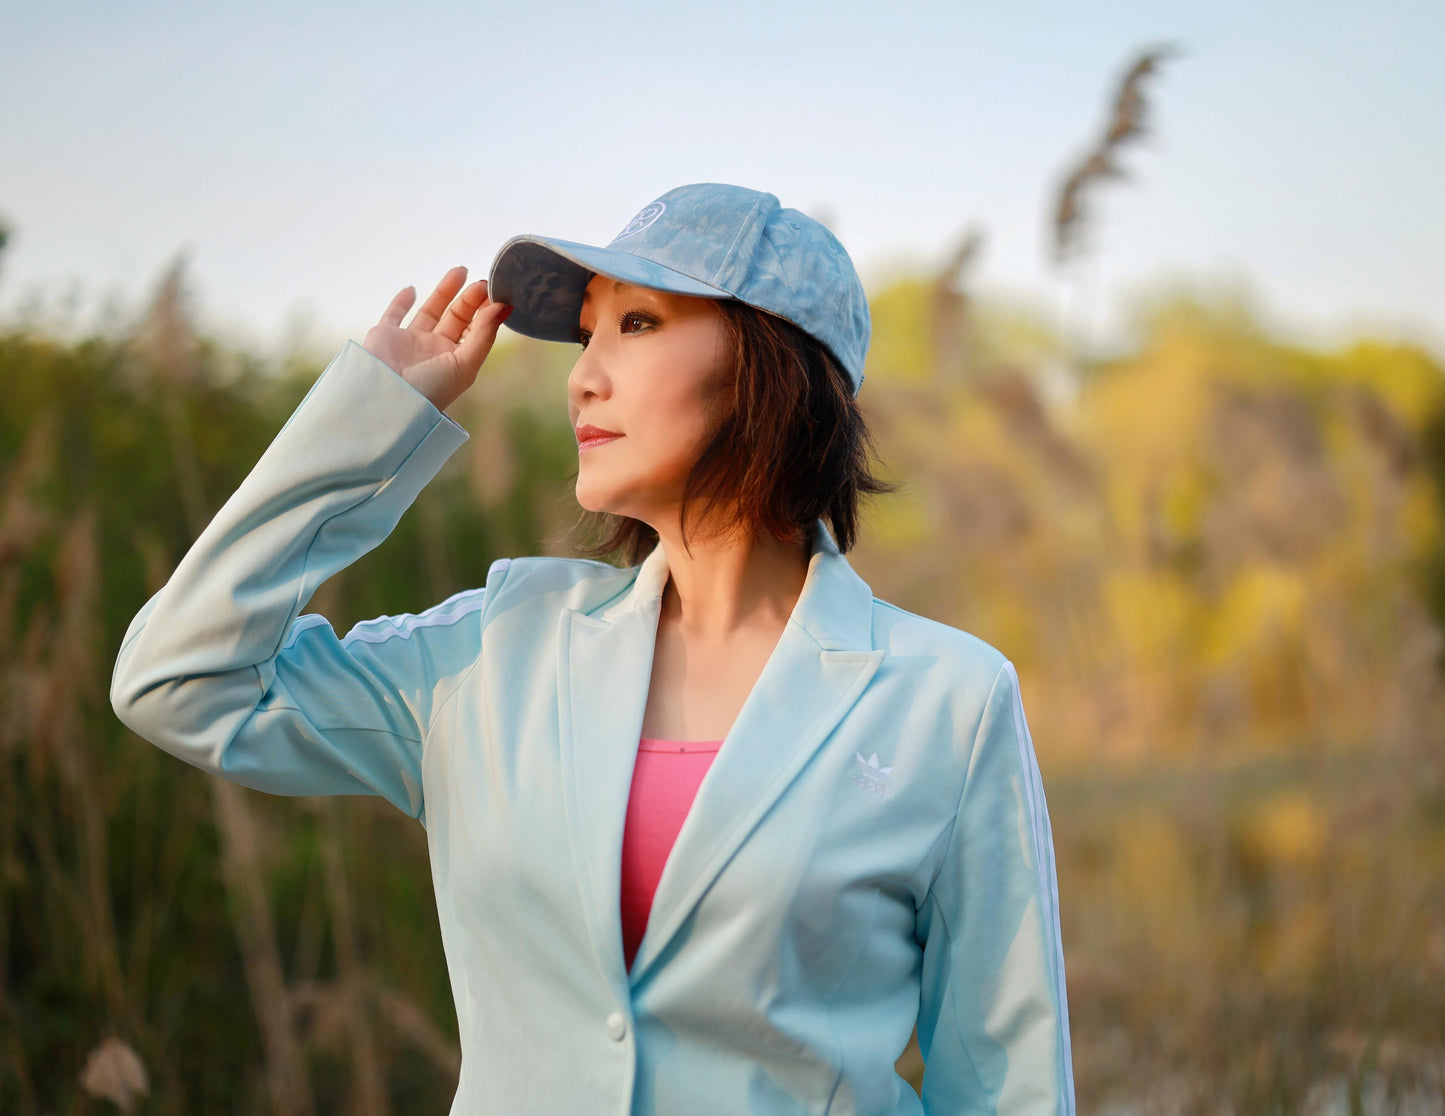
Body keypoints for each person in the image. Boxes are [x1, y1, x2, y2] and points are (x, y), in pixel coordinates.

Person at [110, 183, 1075, 1114]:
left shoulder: (947, 698)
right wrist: (364, 429)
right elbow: (178, 680)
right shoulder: (493, 652)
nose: (583, 374)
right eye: (586, 335)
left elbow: (1006, 1080)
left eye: (638, 324)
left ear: (767, 366)